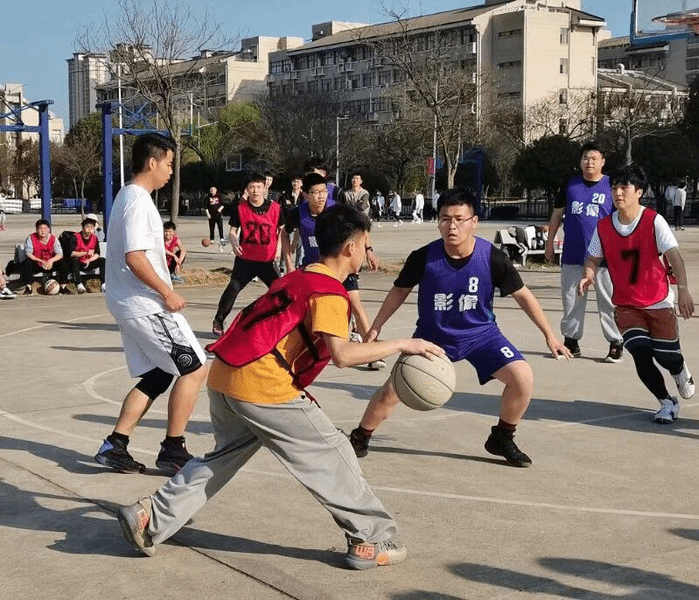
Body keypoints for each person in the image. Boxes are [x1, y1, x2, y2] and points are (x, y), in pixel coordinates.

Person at [116, 204, 444, 568]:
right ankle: (371, 538)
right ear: (350, 247)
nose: (368, 252)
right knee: (334, 451)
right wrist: (403, 344)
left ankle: (149, 516)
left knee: (223, 457)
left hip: (224, 374)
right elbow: (343, 355)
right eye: (366, 244)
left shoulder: (298, 277)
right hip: (261, 383)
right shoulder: (329, 292)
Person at [349, 189, 572, 467]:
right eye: (445, 219)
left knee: (522, 377)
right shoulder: (424, 257)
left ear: (474, 222)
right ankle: (360, 436)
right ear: (438, 222)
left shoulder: (492, 257)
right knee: (394, 390)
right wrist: (376, 327)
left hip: (482, 336)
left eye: (459, 219)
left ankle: (502, 437)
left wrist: (550, 336)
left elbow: (524, 296)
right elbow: (399, 291)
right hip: (432, 336)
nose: (452, 226)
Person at [95, 133, 207, 475]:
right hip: (145, 305)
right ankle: (173, 448)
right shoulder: (138, 201)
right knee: (195, 368)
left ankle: (115, 445)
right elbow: (135, 257)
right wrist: (167, 292)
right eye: (169, 164)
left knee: (159, 375)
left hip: (129, 303)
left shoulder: (127, 196)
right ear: (153, 162)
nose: (171, 171)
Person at [579, 165, 695, 424]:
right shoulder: (604, 226)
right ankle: (666, 402)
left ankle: (679, 369)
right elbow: (593, 258)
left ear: (639, 192)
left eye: (624, 187)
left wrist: (683, 291)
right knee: (641, 355)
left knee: (667, 356)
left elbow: (675, 256)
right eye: (614, 188)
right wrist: (588, 274)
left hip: (657, 301)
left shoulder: (653, 221)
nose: (618, 193)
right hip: (626, 305)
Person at [282, 173, 385, 370]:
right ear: (305, 194)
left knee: (355, 304)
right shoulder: (297, 213)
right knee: (303, 309)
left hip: (342, 266)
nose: (321, 196)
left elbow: (362, 229)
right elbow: (284, 233)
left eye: (324, 191)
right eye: (316, 192)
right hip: (315, 269)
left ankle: (371, 352)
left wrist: (369, 251)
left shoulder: (337, 210)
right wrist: (288, 263)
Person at [544, 141, 624, 362]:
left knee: (608, 301)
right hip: (573, 253)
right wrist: (550, 243)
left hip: (605, 258)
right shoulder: (570, 185)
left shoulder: (611, 186)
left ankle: (615, 342)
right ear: (580, 162)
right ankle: (571, 341)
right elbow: (557, 216)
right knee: (571, 300)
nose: (589, 162)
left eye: (594, 158)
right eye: (585, 158)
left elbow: (623, 217)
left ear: (603, 162)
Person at [212, 172, 285, 337]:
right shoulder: (240, 208)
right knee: (233, 288)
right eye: (252, 187)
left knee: (280, 292)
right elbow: (232, 232)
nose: (255, 190)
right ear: (247, 189)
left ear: (265, 188)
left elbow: (282, 231)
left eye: (259, 187)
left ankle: (284, 325)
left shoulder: (275, 208)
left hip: (267, 260)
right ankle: (218, 321)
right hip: (246, 259)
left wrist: (279, 248)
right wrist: (234, 242)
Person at [19, 219, 71, 295]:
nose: (43, 231)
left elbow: (60, 254)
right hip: (37, 263)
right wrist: (40, 261)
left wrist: (51, 261)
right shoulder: (31, 238)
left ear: (48, 229)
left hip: (50, 263)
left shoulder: (53, 239)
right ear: (36, 230)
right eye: (40, 228)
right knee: (27, 263)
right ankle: (28, 287)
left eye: (45, 228)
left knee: (63, 263)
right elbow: (28, 253)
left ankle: (63, 287)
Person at [68, 216, 106, 293]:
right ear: (83, 228)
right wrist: (85, 253)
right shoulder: (75, 237)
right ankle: (79, 284)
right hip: (79, 262)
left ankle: (103, 284)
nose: (90, 229)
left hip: (89, 261)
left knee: (102, 260)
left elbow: (97, 253)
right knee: (74, 261)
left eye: (92, 227)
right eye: (87, 226)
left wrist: (89, 260)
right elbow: (71, 253)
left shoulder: (94, 238)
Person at [205, 186, 225, 251]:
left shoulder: (219, 196)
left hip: (218, 215)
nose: (212, 191)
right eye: (211, 190)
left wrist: (220, 209)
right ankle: (212, 239)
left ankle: (221, 238)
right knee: (211, 227)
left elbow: (223, 204)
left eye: (213, 190)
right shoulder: (207, 197)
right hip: (211, 215)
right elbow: (206, 207)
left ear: (216, 191)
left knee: (220, 226)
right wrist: (208, 214)